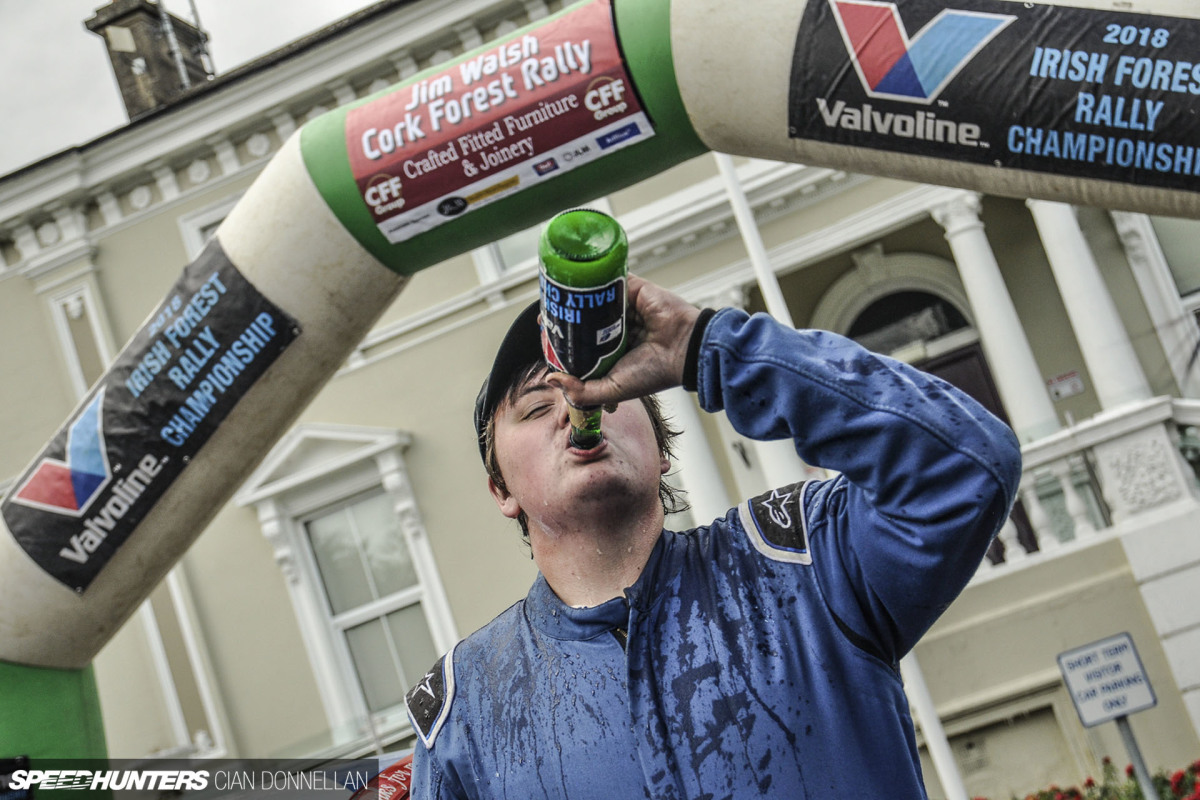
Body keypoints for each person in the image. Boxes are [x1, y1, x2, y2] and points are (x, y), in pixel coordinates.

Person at [405, 274, 1022, 799]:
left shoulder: (804, 562)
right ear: (501, 491)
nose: (575, 410)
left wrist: (706, 347)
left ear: (662, 448)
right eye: (537, 408)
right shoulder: (467, 712)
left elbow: (969, 462)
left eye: (604, 389)